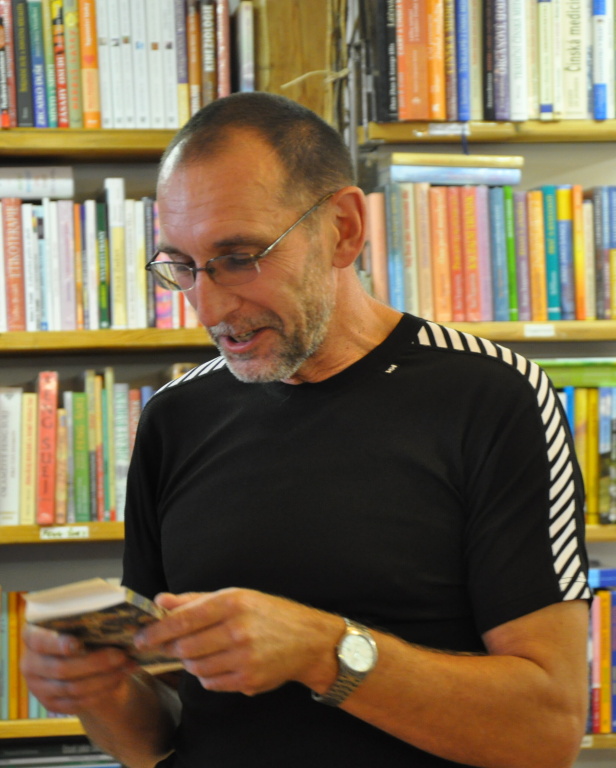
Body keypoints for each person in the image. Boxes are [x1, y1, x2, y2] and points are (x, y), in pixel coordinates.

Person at [22, 92, 591, 768]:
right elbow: (160, 738)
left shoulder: (492, 396)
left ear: (343, 229)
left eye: (239, 256)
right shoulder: (174, 417)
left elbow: (547, 730)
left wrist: (324, 652)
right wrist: (98, 691)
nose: (209, 306)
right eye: (181, 266)